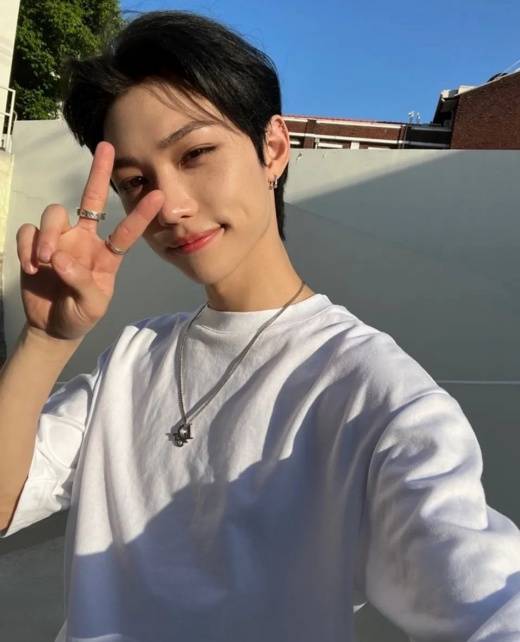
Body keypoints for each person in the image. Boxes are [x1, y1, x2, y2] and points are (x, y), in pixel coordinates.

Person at [1, 9, 520, 642]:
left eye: (196, 153)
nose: (171, 206)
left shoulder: (370, 389)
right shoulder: (133, 358)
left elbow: (483, 594)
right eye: (136, 182)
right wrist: (46, 340)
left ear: (273, 147)